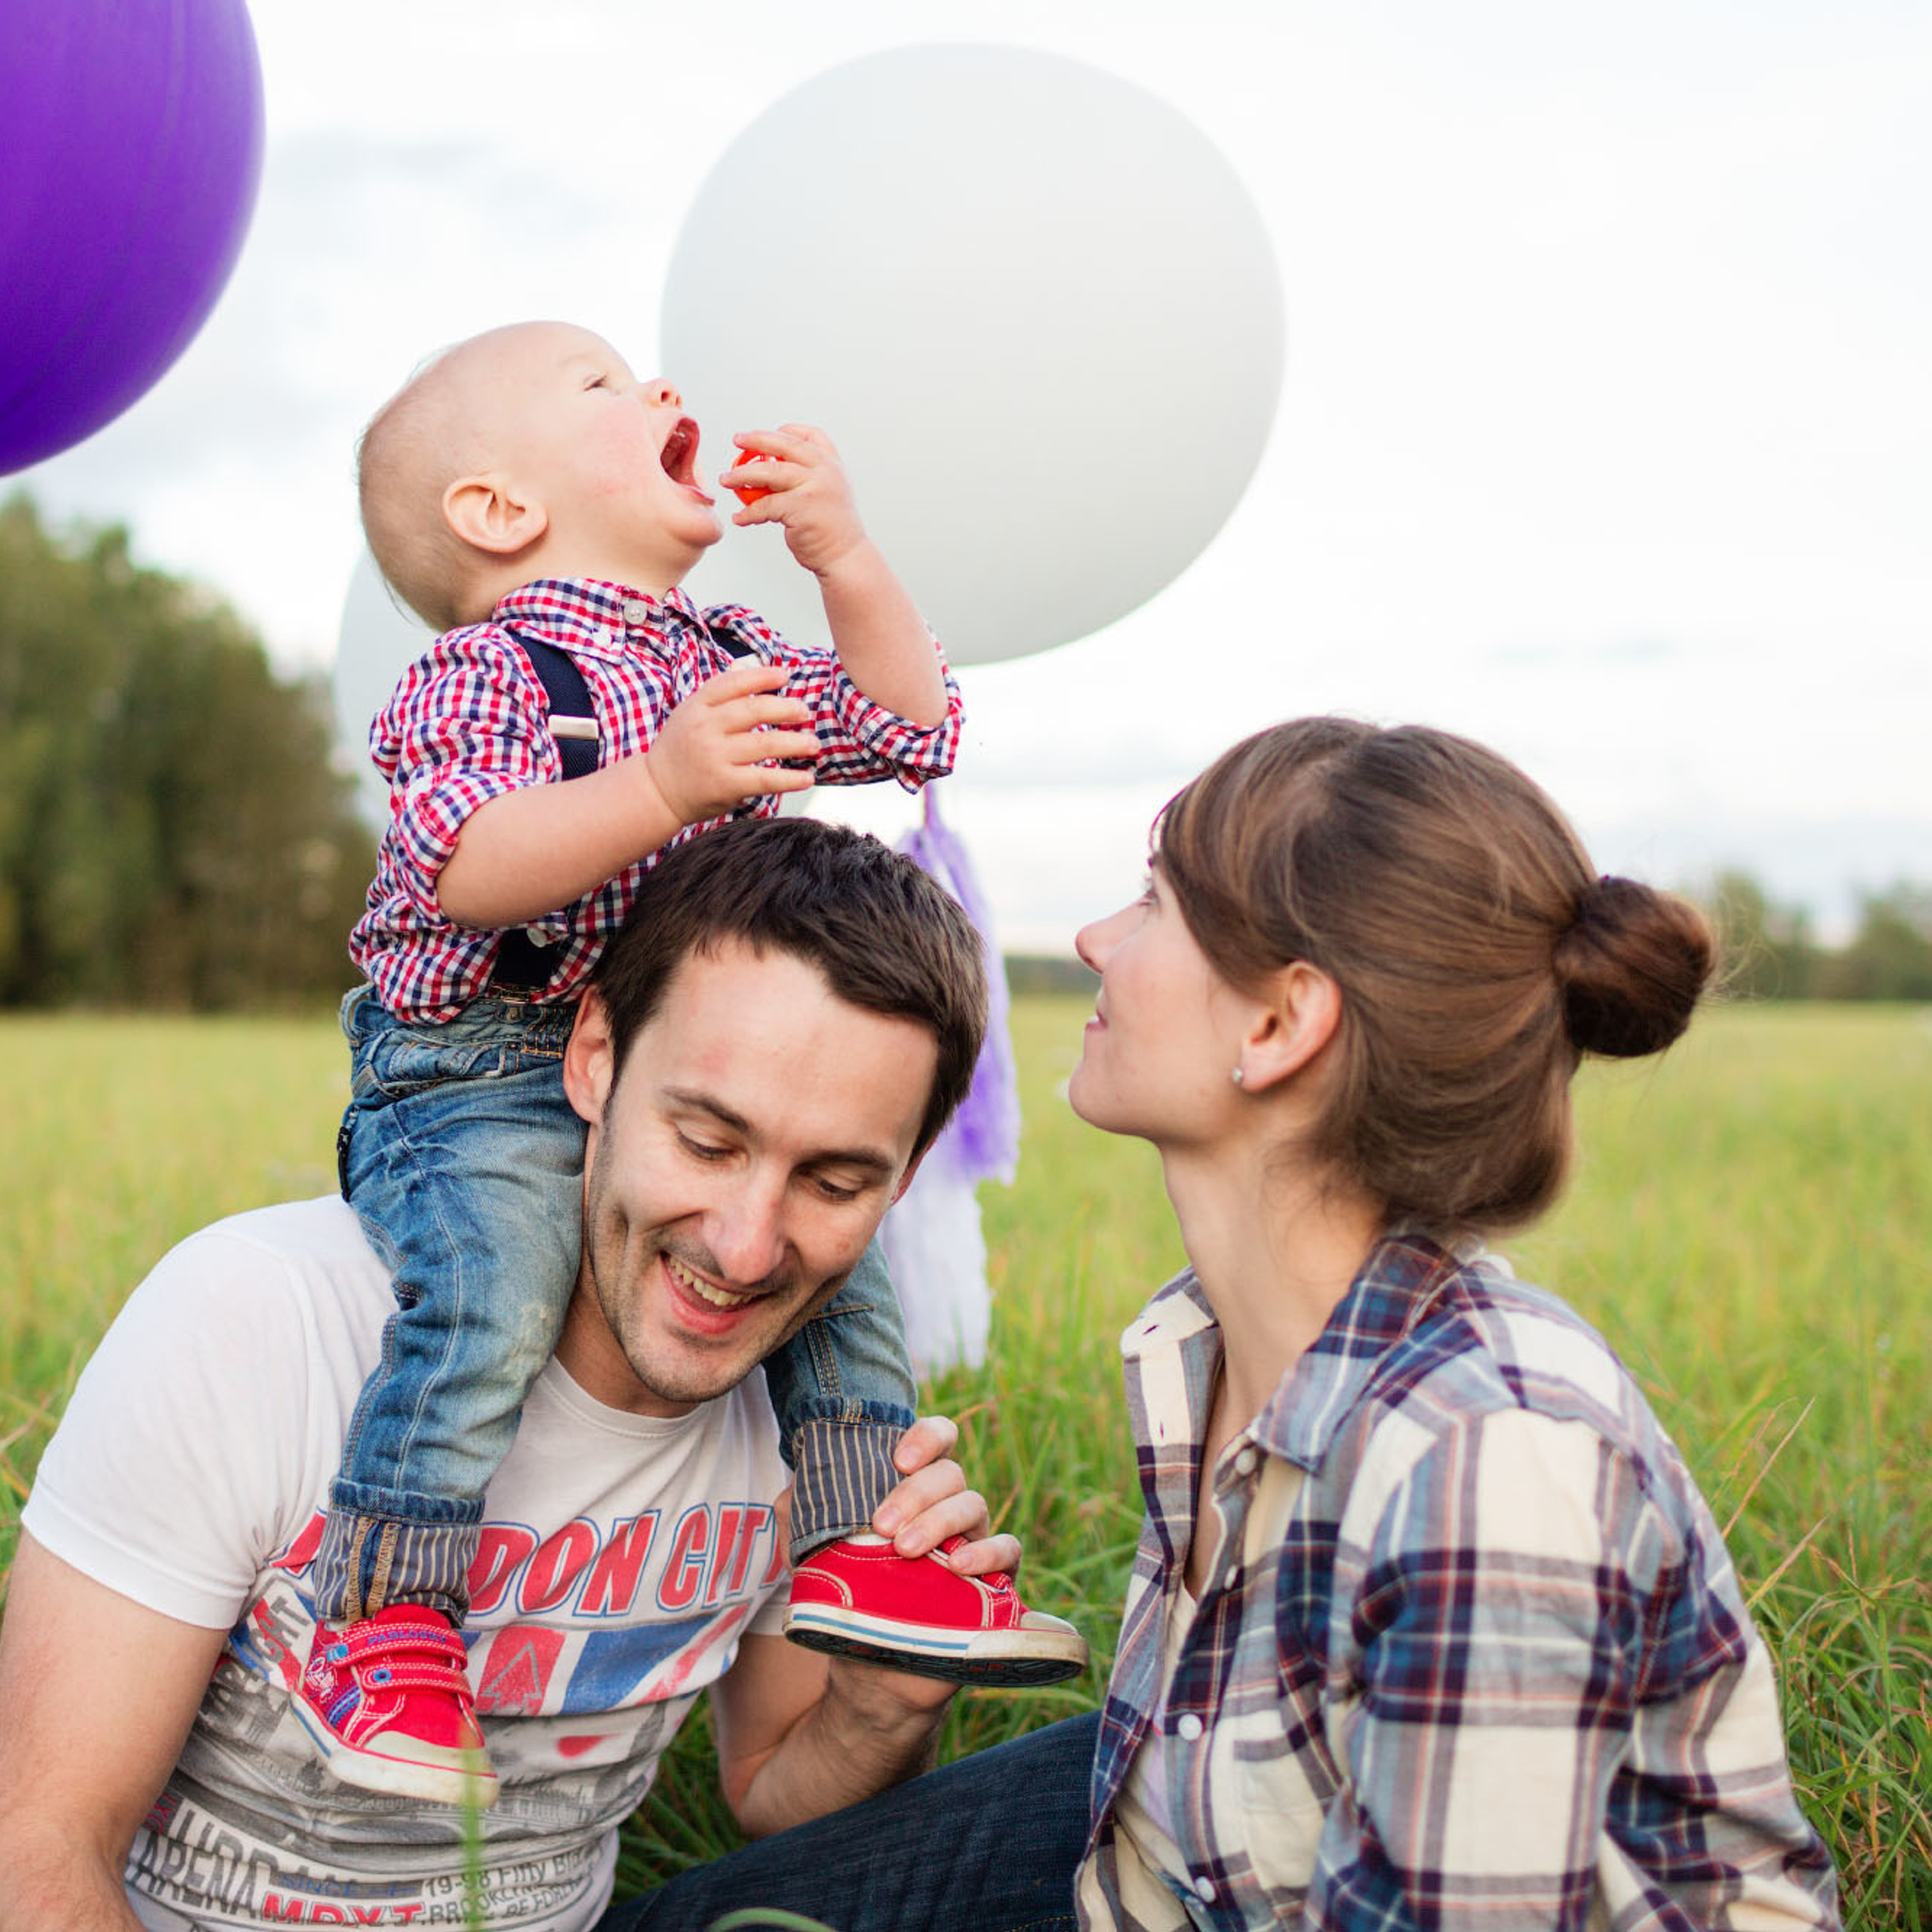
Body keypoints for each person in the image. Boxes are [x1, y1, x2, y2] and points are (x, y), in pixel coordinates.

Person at [0, 816, 1099, 1932]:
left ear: (906, 1175)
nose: (747, 1249)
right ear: (594, 1059)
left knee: (1119, 1776)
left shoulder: (819, 1419)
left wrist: (878, 1706)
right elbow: (36, 1846)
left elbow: (770, 1789)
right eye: (709, 1142)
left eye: (833, 1182)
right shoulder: (258, 1318)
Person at [320, 319, 1080, 1804]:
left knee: (836, 1283)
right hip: (475, 1059)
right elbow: (463, 859)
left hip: (672, 1075)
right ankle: (388, 1619)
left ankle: (859, 1545)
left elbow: (910, 726)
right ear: (497, 510)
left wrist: (842, 554)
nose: (664, 390)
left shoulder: (718, 649)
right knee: (496, 1273)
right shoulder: (488, 668)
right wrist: (664, 778)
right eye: (607, 387)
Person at [1063, 719, 1839, 1929]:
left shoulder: (1483, 1458)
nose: (1093, 941)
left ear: (1279, 1025)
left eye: (1153, 902)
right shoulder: (1206, 1345)